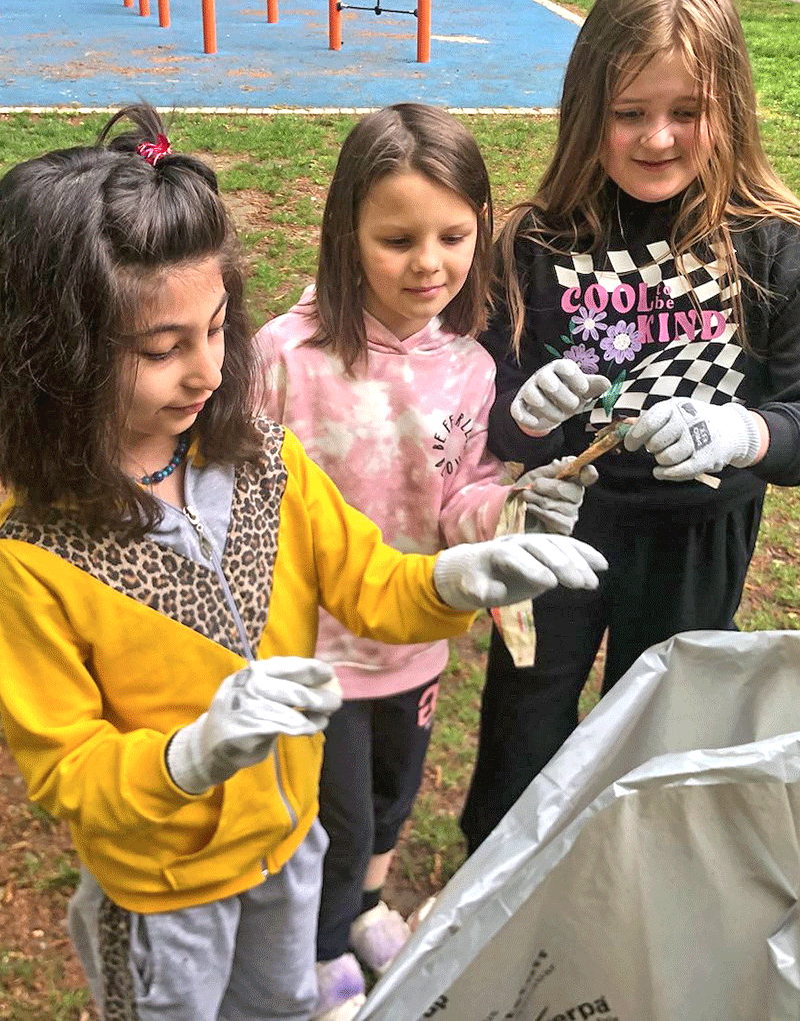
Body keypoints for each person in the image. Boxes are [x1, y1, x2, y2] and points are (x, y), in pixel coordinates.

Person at [0, 103, 607, 1021]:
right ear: (55, 356)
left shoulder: (258, 456)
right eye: (163, 350)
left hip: (289, 846)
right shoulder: (32, 553)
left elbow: (369, 584)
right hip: (164, 896)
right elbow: (67, 766)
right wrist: (190, 757)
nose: (209, 372)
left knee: (283, 1006)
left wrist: (451, 579)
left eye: (216, 328)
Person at [255, 103, 598, 1021]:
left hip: (417, 638)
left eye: (453, 236)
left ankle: (365, 909)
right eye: (397, 239)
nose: (429, 263)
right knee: (334, 817)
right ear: (346, 233)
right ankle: (323, 952)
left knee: (392, 792)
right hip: (311, 647)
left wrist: (508, 518)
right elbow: (238, 489)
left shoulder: (474, 366)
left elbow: (464, 497)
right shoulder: (284, 357)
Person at [460, 0, 800, 856]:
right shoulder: (536, 240)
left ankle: (628, 884)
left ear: (729, 108)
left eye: (685, 112)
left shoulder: (772, 245)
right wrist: (524, 412)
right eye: (629, 113)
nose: (657, 138)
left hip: (700, 531)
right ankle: (495, 877)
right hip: (560, 523)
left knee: (661, 722)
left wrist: (740, 430)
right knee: (526, 714)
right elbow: (487, 414)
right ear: (587, 112)